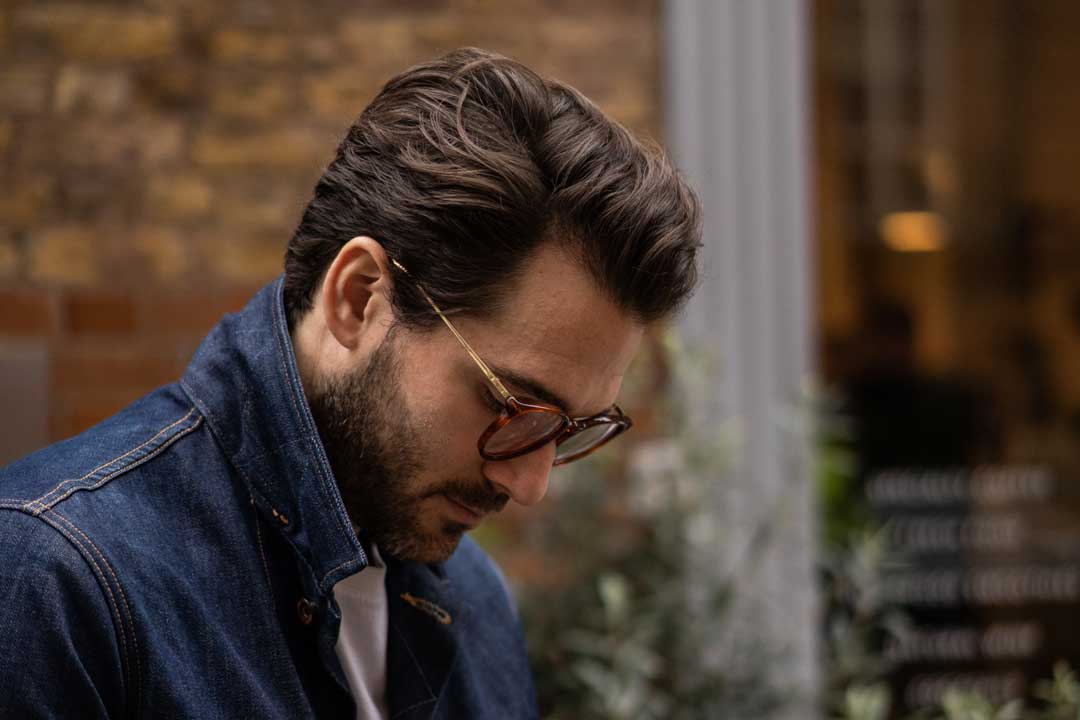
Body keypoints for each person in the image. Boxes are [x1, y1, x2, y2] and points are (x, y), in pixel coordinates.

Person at [0, 48, 700, 719]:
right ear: (359, 297)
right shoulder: (55, 583)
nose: (532, 483)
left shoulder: (477, 604)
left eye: (572, 429)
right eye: (510, 404)